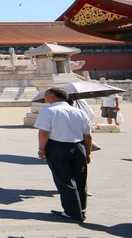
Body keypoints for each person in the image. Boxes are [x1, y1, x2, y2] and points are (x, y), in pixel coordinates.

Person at [35, 87, 92, 223]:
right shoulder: (79, 112)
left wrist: (41, 148)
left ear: (53, 96)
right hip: (78, 147)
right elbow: (87, 135)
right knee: (80, 179)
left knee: (64, 180)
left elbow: (44, 132)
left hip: (58, 147)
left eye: (46, 95)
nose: (45, 97)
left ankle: (72, 213)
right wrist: (87, 152)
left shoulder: (49, 111)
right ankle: (81, 209)